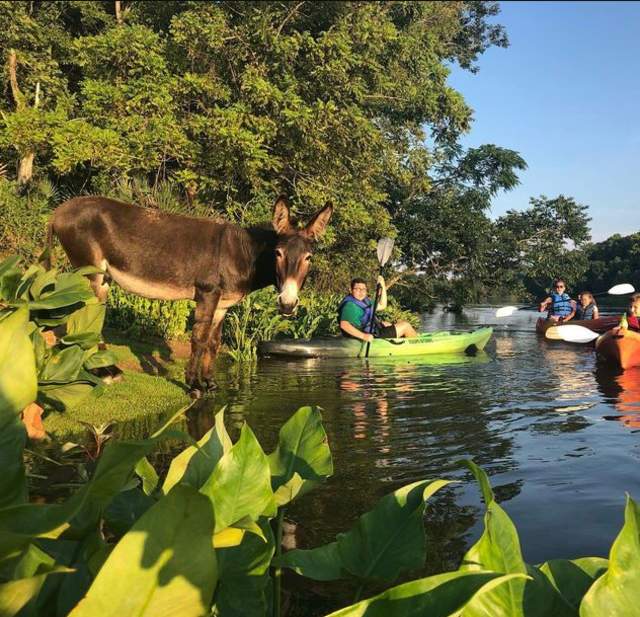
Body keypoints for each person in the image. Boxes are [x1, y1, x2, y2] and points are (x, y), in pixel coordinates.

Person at [338, 276, 418, 342]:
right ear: (351, 290)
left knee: (387, 324)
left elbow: (382, 305)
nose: (361, 292)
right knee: (406, 325)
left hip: (370, 330)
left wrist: (382, 285)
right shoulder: (350, 306)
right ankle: (416, 345)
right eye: (357, 289)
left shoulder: (365, 301)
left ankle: (405, 338)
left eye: (363, 289)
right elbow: (344, 325)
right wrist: (364, 336)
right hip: (368, 334)